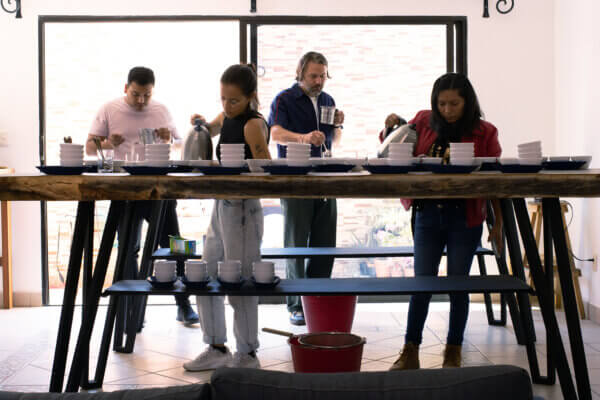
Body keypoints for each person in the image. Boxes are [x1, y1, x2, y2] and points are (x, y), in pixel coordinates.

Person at [389, 72, 503, 370]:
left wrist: (498, 223)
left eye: (455, 103)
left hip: (464, 217)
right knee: (421, 283)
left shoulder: (485, 132)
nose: (448, 110)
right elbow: (396, 146)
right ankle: (410, 349)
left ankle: (453, 350)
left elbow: (497, 181)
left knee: (458, 285)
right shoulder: (424, 120)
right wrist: (391, 127)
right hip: (426, 213)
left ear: (468, 102)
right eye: (442, 104)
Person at [85, 66, 200, 326]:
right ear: (126, 88)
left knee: (175, 245)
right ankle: (132, 310)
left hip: (158, 188)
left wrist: (169, 137)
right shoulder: (109, 109)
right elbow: (90, 148)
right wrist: (106, 144)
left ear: (152, 92)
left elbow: (182, 145)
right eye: (136, 94)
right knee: (129, 249)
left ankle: (184, 304)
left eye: (146, 95)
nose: (141, 101)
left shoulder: (161, 110)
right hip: (124, 190)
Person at [183, 64, 270, 371]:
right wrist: (200, 123)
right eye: (223, 99)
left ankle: (247, 353)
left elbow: (266, 167)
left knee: (241, 280)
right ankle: (216, 346)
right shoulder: (228, 116)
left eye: (234, 100)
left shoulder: (253, 125)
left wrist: (242, 170)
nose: (227, 106)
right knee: (204, 274)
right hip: (222, 204)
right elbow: (212, 126)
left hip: (244, 208)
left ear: (251, 97)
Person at [267, 51, 345, 326]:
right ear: (300, 72)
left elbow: (334, 139)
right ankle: (296, 303)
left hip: (325, 176)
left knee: (325, 242)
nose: (319, 80)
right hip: (295, 177)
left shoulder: (328, 100)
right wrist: (302, 137)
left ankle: (318, 297)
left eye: (322, 75)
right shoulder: (284, 99)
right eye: (313, 75)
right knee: (296, 242)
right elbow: (274, 133)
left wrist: (338, 125)